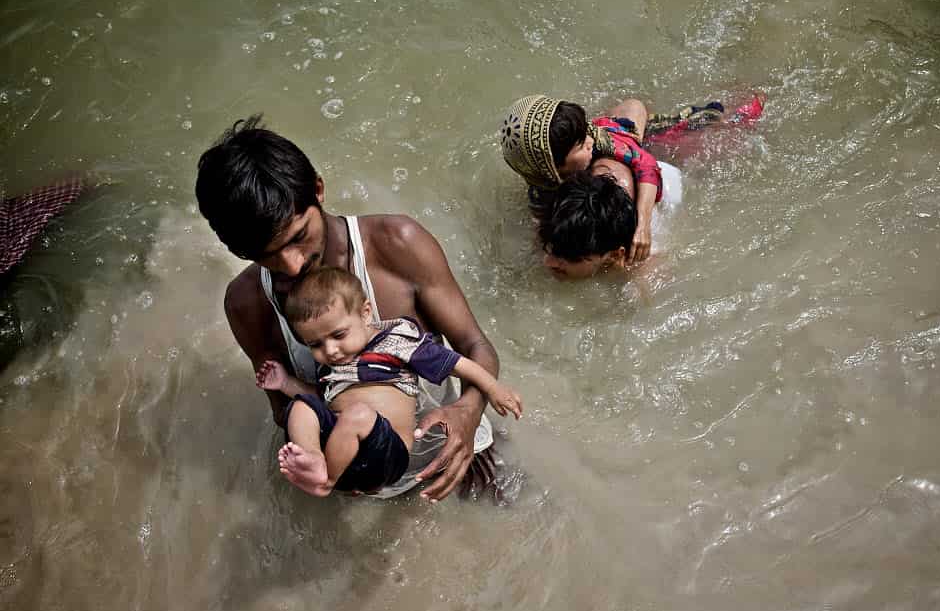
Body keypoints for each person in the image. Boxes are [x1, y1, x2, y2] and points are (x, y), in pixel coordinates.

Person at [195, 114, 502, 501]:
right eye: (264, 255)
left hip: (457, 452)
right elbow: (282, 409)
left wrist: (469, 413)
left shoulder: (398, 246)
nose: (292, 265)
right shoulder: (247, 303)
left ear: (318, 190)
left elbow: (475, 346)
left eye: (298, 237)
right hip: (356, 479)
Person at [254, 266, 522, 497]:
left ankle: (327, 482)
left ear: (365, 313)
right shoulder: (331, 367)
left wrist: (492, 387)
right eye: (315, 344)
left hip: (386, 452)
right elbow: (320, 398)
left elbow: (455, 363)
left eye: (338, 334)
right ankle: (313, 458)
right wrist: (286, 383)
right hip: (343, 449)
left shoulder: (396, 340)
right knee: (301, 406)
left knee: (358, 414)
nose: (331, 350)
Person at [500, 94, 763, 264]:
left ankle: (741, 111)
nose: (589, 141)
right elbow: (543, 224)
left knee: (711, 132)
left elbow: (647, 166)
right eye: (580, 145)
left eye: (585, 136)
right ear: (552, 169)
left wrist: (642, 225)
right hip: (621, 131)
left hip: (639, 138)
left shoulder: (601, 144)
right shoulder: (541, 186)